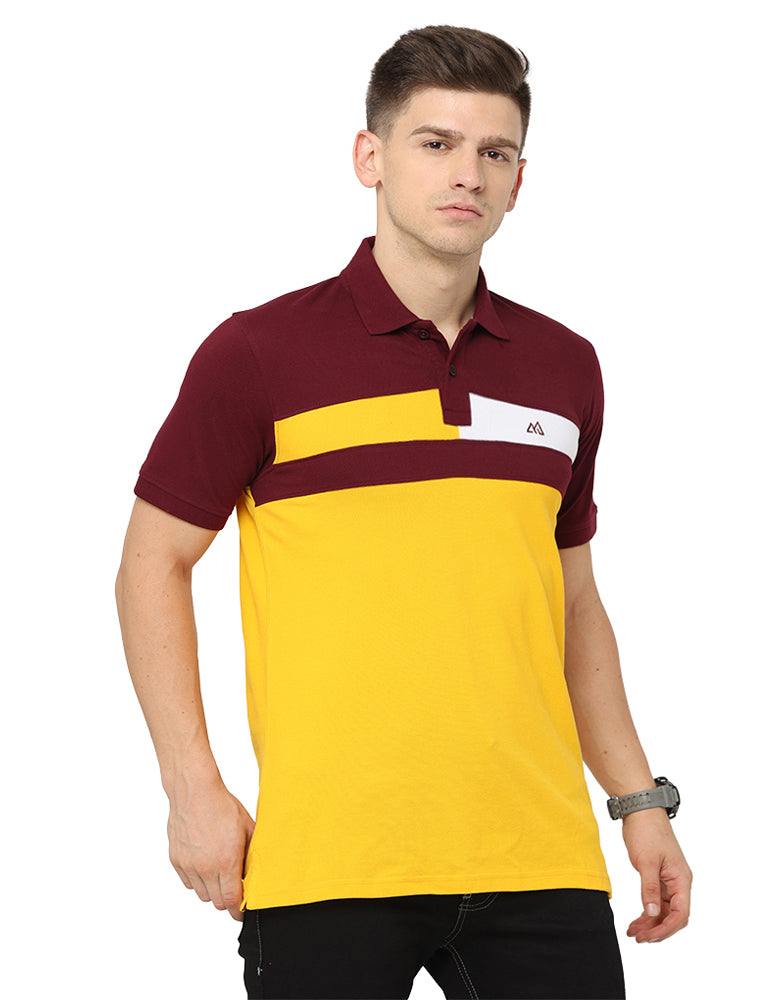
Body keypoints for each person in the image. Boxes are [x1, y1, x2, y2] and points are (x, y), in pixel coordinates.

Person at [116, 24, 692, 1000]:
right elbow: (150, 564)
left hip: (537, 856)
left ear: (518, 181)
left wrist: (638, 798)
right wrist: (190, 787)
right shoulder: (257, 353)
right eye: (436, 143)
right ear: (369, 157)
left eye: (494, 152)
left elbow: (572, 601)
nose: (467, 172)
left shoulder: (564, 367)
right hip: (331, 861)